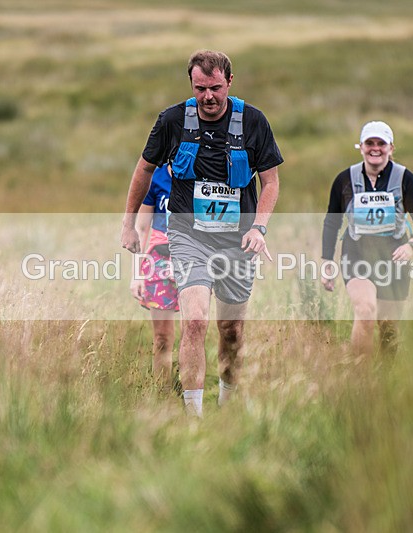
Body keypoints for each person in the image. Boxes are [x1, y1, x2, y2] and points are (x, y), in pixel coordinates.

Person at [121, 50, 283, 416]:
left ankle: (227, 405)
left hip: (237, 239)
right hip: (188, 235)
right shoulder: (172, 121)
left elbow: (271, 182)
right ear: (191, 84)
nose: (208, 96)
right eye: (200, 89)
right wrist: (128, 223)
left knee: (231, 330)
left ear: (229, 82)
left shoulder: (254, 121)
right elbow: (143, 170)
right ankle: (193, 418)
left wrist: (259, 227)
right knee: (194, 320)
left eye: (215, 88)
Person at [321, 121, 413, 358]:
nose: (375, 148)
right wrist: (327, 261)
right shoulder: (345, 180)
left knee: (389, 328)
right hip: (357, 255)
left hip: (395, 258)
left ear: (391, 148)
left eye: (381, 143)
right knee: (365, 310)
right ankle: (360, 379)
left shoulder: (405, 179)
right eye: (369, 143)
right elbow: (332, 222)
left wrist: (411, 246)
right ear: (360, 147)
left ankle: (384, 382)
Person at [129, 164, 179, 391]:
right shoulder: (156, 176)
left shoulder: (206, 168)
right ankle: (163, 394)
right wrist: (137, 273)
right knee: (162, 337)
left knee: (194, 331)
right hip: (160, 260)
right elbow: (141, 228)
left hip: (197, 260)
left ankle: (191, 395)